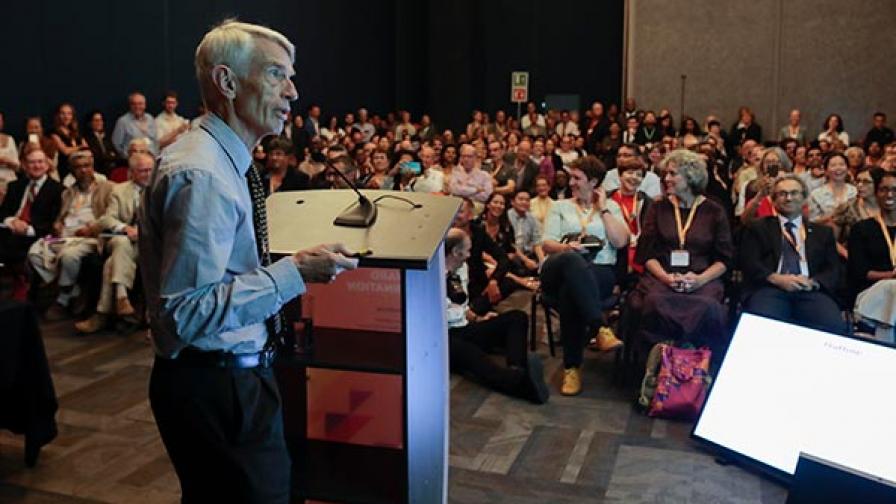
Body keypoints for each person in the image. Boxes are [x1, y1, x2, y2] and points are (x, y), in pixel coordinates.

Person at [140, 20, 358, 503]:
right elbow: (186, 314)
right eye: (278, 74)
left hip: (226, 378)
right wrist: (293, 273)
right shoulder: (203, 173)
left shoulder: (224, 159)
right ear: (227, 82)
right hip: (216, 384)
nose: (294, 91)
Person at [628, 149, 733, 359]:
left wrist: (700, 279)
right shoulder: (658, 208)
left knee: (709, 306)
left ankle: (692, 361)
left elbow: (725, 259)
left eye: (673, 174)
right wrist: (666, 278)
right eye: (665, 174)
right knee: (653, 302)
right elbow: (646, 253)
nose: (666, 179)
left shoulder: (714, 210)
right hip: (662, 275)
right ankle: (660, 361)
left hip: (702, 278)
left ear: (691, 177)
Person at [541, 155, 629, 395]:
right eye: (571, 177)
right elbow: (547, 243)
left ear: (594, 182)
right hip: (558, 266)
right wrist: (568, 248)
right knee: (572, 260)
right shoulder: (559, 207)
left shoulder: (611, 208)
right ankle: (600, 327)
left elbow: (621, 241)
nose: (571, 183)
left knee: (572, 292)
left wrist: (604, 210)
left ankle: (572, 368)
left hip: (598, 270)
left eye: (577, 178)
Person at [444, 228, 549, 404]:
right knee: (475, 358)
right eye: (468, 250)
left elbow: (462, 307)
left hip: (464, 326)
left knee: (517, 317)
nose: (470, 255)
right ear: (456, 252)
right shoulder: (432, 275)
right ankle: (521, 384)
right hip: (444, 336)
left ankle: (517, 370)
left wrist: (477, 318)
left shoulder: (462, 269)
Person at [740, 174, 846, 334]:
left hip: (810, 290)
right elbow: (749, 261)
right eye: (782, 194)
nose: (788, 198)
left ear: (804, 199)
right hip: (769, 288)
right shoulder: (759, 228)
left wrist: (814, 283)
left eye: (794, 193)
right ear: (774, 201)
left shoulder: (822, 233)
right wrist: (775, 278)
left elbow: (834, 269)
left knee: (832, 326)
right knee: (762, 326)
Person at [28, 149, 113, 320]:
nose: (83, 170)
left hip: (89, 236)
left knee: (68, 256)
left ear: (92, 167)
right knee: (34, 253)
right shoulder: (67, 192)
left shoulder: (107, 188)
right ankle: (73, 289)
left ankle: (62, 299)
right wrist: (57, 224)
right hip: (66, 235)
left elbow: (111, 216)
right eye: (78, 167)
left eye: (87, 166)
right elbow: (61, 216)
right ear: (72, 170)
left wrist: (93, 228)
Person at [75, 153, 155, 333]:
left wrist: (142, 233)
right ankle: (121, 300)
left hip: (149, 245)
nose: (148, 174)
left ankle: (105, 310)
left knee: (111, 263)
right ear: (132, 172)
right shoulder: (119, 190)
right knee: (121, 241)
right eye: (143, 171)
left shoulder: (161, 189)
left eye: (151, 169)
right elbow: (107, 219)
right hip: (126, 240)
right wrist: (125, 228)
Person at [848, 171, 896, 339]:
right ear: (876, 193)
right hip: (872, 293)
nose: (889, 195)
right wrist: (890, 275)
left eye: (894, 190)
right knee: (892, 287)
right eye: (884, 189)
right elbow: (859, 272)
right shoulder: (862, 229)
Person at [0, 146, 64, 266]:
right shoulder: (14, 186)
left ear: (47, 165)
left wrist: (27, 230)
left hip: (36, 235)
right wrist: (12, 221)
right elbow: (2, 213)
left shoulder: (58, 190)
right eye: (32, 162)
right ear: (24, 165)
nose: (37, 166)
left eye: (40, 162)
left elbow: (54, 221)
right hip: (9, 230)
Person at [808, 152, 857, 224]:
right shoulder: (816, 194)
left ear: (848, 168)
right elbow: (812, 221)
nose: (838, 168)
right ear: (825, 170)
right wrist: (835, 214)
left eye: (842, 164)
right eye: (833, 165)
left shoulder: (855, 191)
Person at [112, 91, 158, 157]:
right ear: (130, 106)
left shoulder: (150, 118)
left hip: (151, 160)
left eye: (140, 104)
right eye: (134, 104)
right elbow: (116, 144)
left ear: (145, 105)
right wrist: (128, 158)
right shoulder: (123, 121)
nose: (137, 106)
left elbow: (155, 140)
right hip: (133, 161)